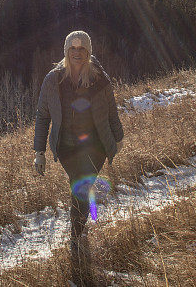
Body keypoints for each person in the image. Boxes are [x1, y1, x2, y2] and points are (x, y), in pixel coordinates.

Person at [33, 30, 124, 279]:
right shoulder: (53, 80)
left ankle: (77, 235)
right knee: (80, 186)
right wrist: (39, 152)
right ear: (65, 51)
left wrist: (117, 137)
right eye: (72, 48)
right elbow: (43, 117)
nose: (76, 52)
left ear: (88, 52)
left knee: (83, 187)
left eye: (81, 48)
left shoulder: (99, 79)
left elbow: (112, 109)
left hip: (95, 146)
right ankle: (79, 233)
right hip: (66, 147)